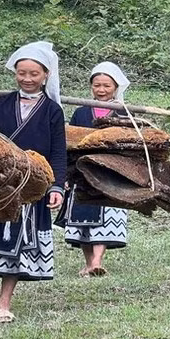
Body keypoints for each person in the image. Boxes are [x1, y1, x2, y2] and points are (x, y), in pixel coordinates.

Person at [0, 41, 66, 323]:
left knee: (17, 243)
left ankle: (5, 300)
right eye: (22, 73)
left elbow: (58, 151)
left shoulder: (53, 111)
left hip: (30, 184)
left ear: (46, 75)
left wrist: (56, 186)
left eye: (34, 74)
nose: (27, 79)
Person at [54, 61, 130, 277]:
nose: (101, 90)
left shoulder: (123, 114)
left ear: (116, 87)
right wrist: (66, 173)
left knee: (106, 216)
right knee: (81, 219)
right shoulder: (81, 112)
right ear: (91, 87)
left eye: (107, 86)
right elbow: (70, 142)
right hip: (82, 172)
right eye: (97, 85)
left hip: (110, 174)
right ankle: (89, 263)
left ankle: (97, 261)